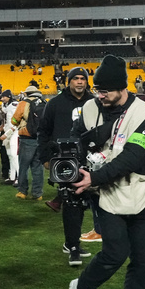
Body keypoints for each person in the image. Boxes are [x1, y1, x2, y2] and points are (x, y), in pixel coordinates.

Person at [67, 55, 145, 289]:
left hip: (142, 194)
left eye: (105, 90)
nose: (100, 95)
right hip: (107, 195)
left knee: (143, 262)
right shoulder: (90, 108)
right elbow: (75, 142)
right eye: (98, 89)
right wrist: (74, 165)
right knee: (115, 253)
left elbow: (133, 156)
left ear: (122, 87)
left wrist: (93, 178)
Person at [39, 67, 95, 266]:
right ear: (68, 81)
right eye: (76, 78)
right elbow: (43, 131)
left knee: (83, 203)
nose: (80, 82)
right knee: (71, 201)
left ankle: (72, 242)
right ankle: (73, 246)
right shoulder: (54, 103)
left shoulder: (94, 102)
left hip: (89, 158)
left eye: (83, 78)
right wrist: (45, 157)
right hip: (63, 158)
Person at [12, 85, 46, 200]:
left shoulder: (23, 103)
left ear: (26, 94)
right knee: (37, 167)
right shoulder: (44, 102)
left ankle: (22, 191)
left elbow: (14, 119)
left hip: (26, 138)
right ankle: (38, 194)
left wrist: (20, 123)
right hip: (40, 138)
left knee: (23, 166)